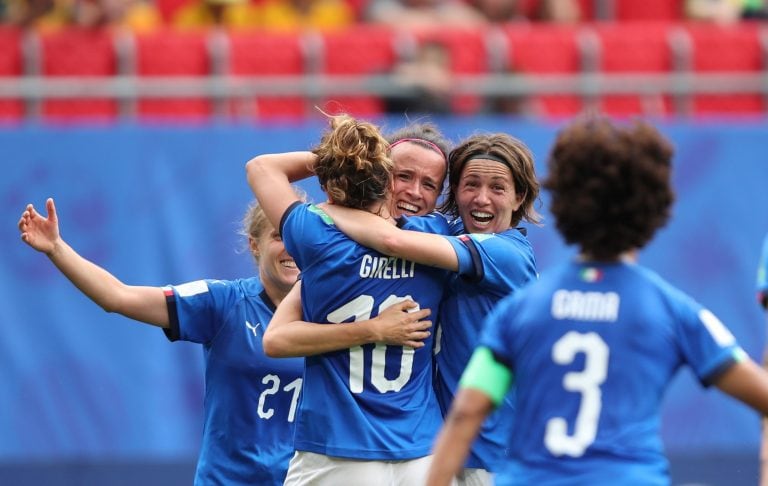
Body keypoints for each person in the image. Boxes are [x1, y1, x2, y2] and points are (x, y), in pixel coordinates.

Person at [427, 116, 768, 485]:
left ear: (567, 206)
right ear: (652, 210)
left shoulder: (521, 310)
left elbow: (467, 412)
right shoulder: (672, 310)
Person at [15, 196, 418, 485]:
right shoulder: (223, 302)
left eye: (300, 239)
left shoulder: (343, 310)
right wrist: (57, 249)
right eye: (279, 237)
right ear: (254, 244)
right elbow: (117, 297)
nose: (292, 249)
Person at [314, 132, 540, 485]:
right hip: (440, 447)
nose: (481, 198)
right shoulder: (444, 235)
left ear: (519, 197)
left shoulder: (507, 254)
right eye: (470, 184)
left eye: (498, 188)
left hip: (496, 453)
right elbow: (387, 221)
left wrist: (322, 212)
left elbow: (390, 237)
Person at [245, 114, 449, 485]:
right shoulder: (440, 240)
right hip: (422, 450)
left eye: (429, 184)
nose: (415, 192)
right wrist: (372, 329)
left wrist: (345, 157)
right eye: (403, 176)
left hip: (341, 448)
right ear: (382, 175)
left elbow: (261, 167)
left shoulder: (317, 235)